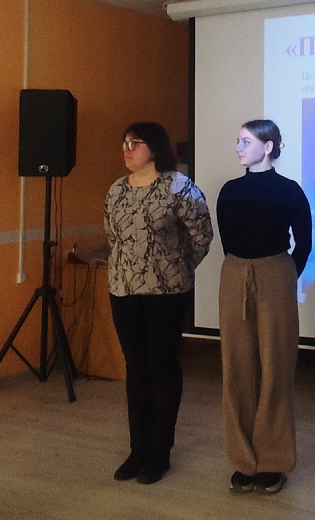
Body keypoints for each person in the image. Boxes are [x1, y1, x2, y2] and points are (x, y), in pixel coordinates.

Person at [104, 122, 213, 485]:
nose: (127, 149)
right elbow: (112, 237)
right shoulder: (117, 189)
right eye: (124, 143)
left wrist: (174, 268)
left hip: (167, 292)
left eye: (134, 143)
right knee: (136, 368)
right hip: (123, 290)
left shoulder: (179, 187)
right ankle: (137, 449)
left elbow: (201, 237)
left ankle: (158, 453)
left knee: (162, 368)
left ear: (155, 147)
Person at [216, 120, 312, 494]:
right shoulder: (229, 191)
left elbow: (303, 243)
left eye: (246, 141)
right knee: (236, 367)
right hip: (234, 273)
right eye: (238, 141)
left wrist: (282, 275)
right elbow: (228, 241)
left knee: (276, 365)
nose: (238, 147)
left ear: (268, 146)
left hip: (276, 272)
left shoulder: (289, 190)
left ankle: (272, 461)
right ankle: (243, 460)